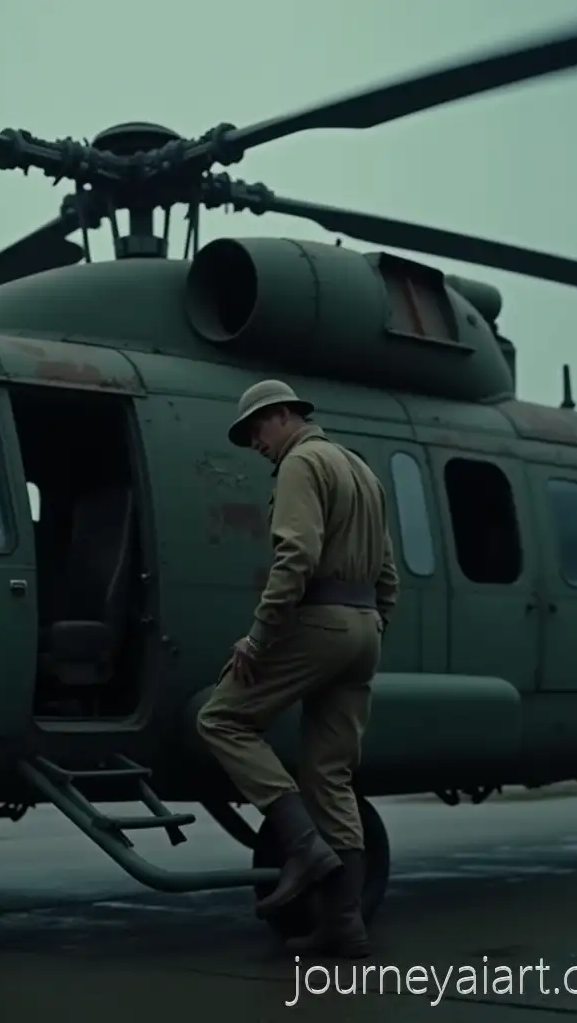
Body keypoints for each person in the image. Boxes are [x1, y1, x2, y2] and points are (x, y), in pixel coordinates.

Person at [196, 379, 399, 958]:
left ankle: (303, 845)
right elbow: (388, 570)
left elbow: (297, 555)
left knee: (221, 719)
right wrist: (376, 624)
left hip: (322, 622)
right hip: (364, 630)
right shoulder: (360, 471)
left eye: (256, 429)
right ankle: (345, 923)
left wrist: (259, 637)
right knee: (330, 776)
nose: (254, 443)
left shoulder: (302, 464)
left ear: (283, 415)